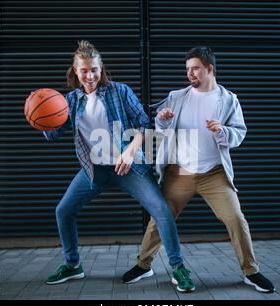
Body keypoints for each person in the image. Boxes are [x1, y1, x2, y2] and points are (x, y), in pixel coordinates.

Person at [42, 40, 195, 293]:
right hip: (94, 170)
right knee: (63, 211)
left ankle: (178, 267)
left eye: (94, 69)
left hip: (129, 167)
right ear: (75, 71)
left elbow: (144, 124)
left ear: (101, 69)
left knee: (161, 209)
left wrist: (129, 151)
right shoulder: (69, 101)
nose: (90, 75)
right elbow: (53, 134)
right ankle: (72, 265)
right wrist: (39, 119)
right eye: (84, 70)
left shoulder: (119, 91)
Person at [122, 46, 275, 293]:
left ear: (210, 69)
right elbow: (161, 132)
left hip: (213, 173)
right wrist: (162, 120)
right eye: (188, 69)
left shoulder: (228, 99)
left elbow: (239, 133)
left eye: (195, 69)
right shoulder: (177, 96)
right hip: (179, 173)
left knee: (236, 219)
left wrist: (223, 131)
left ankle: (251, 271)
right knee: (160, 218)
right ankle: (144, 264)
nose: (190, 74)